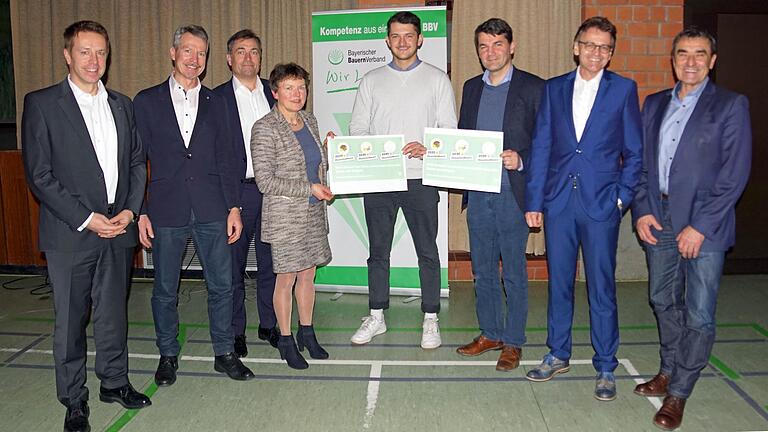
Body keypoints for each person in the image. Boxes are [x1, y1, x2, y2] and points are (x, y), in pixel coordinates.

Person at [22, 20, 151, 432]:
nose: (94, 61)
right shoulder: (42, 104)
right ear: (67, 55)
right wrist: (87, 218)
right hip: (71, 233)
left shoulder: (122, 104)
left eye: (100, 52)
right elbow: (39, 175)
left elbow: (135, 162)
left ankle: (114, 382)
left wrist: (130, 211)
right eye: (85, 52)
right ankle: (74, 400)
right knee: (71, 322)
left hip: (119, 228)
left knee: (114, 314)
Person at [631, 27, 751, 430]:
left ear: (712, 61)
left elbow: (734, 175)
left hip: (706, 225)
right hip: (659, 218)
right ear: (673, 59)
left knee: (699, 312)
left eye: (700, 54)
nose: (691, 61)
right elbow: (644, 167)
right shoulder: (653, 104)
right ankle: (667, 369)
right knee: (662, 298)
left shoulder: (731, 105)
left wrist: (699, 226)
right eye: (683, 53)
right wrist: (643, 210)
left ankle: (678, 391)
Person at [524, 16, 642, 401]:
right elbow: (541, 147)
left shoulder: (623, 90)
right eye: (590, 45)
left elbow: (635, 153)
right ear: (576, 47)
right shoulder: (554, 89)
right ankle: (558, 353)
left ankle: (606, 364)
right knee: (558, 284)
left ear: (611, 53)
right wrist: (535, 200)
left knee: (601, 287)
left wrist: (621, 199)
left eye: (605, 47)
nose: (596, 53)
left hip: (600, 205)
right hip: (558, 202)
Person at [134, 24, 254, 385]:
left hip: (212, 208)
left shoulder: (218, 102)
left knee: (223, 285)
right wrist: (139, 209)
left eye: (201, 53)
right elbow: (135, 160)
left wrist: (233, 206)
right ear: (173, 53)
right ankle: (168, 354)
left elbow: (228, 158)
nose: (194, 59)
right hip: (166, 210)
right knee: (165, 290)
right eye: (188, 50)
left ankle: (224, 353)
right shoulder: (146, 100)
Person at [349, 11, 457, 350]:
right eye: (396, 36)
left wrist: (429, 147)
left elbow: (449, 130)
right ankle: (377, 314)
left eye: (409, 35)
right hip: (380, 180)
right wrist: (380, 150)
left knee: (427, 251)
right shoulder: (371, 80)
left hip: (421, 179)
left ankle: (430, 317)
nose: (402, 42)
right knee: (377, 252)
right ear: (387, 39)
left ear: (420, 39)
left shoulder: (438, 79)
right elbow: (357, 130)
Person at [455, 18, 543, 371]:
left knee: (514, 273)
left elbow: (546, 142)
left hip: (512, 194)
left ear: (512, 46)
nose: (490, 52)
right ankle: (490, 332)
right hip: (478, 193)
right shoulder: (470, 87)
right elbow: (463, 137)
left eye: (497, 45)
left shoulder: (535, 88)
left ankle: (514, 341)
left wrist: (521, 159)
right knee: (483, 270)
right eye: (483, 46)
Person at [251, 63, 333, 370]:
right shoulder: (265, 127)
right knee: (285, 278)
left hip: (312, 214)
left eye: (301, 87)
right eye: (289, 88)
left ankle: (307, 332)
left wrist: (330, 151)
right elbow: (266, 181)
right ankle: (285, 339)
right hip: (285, 217)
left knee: (308, 275)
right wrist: (309, 188)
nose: (297, 94)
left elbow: (313, 164)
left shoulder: (309, 120)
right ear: (275, 92)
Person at [214, 29, 278, 357]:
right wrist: (230, 204)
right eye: (241, 52)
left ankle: (269, 324)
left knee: (271, 263)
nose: (248, 58)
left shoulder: (274, 92)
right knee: (233, 267)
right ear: (229, 59)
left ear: (260, 57)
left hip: (273, 191)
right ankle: (236, 330)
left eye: (254, 51)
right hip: (238, 193)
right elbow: (217, 156)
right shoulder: (216, 98)